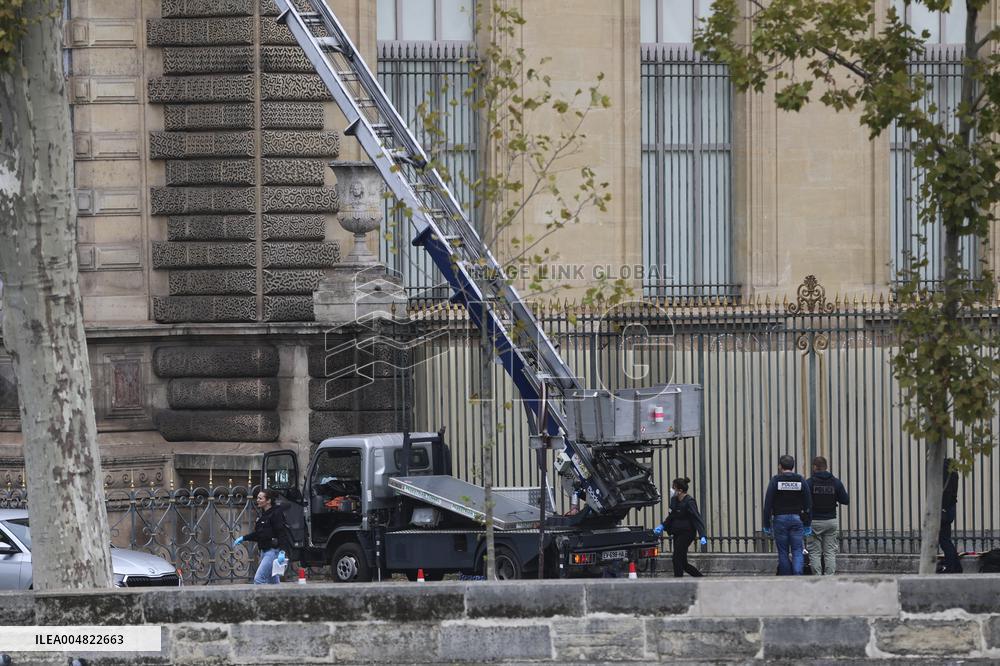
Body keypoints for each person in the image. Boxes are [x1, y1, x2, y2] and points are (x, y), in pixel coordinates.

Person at [762, 454, 812, 575]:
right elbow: (808, 503)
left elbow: (768, 503)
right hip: (796, 519)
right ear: (793, 466)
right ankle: (797, 576)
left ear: (780, 466)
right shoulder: (800, 480)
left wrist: (766, 524)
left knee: (783, 552)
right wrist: (807, 524)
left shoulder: (775, 481)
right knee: (797, 550)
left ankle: (785, 579)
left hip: (779, 519)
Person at [234, 489, 292, 584]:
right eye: (257, 498)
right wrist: (243, 538)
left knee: (259, 579)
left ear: (268, 501)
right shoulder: (263, 516)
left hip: (273, 552)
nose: (257, 500)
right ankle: (279, 598)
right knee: (273, 582)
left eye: (260, 498)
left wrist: (282, 551)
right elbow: (258, 534)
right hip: (264, 552)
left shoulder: (276, 513)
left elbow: (282, 533)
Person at [653, 477, 707, 578]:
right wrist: (662, 525)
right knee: (683, 562)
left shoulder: (689, 501)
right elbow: (672, 515)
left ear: (680, 490)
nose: (671, 490)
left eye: (673, 487)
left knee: (676, 558)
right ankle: (701, 579)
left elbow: (696, 518)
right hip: (677, 533)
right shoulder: (674, 500)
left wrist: (702, 535)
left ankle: (678, 581)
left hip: (687, 534)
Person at [805, 456, 849, 575]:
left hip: (814, 521)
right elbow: (846, 500)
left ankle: (817, 577)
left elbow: (804, 502)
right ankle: (829, 578)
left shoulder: (809, 483)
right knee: (829, 552)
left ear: (814, 467)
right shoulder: (835, 482)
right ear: (826, 467)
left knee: (814, 552)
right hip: (830, 520)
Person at [939, 458, 962, 573]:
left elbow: (945, 491)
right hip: (951, 507)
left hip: (945, 508)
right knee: (945, 538)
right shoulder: (954, 472)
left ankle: (952, 567)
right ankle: (956, 566)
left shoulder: (944, 470)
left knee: (943, 539)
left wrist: (942, 508)